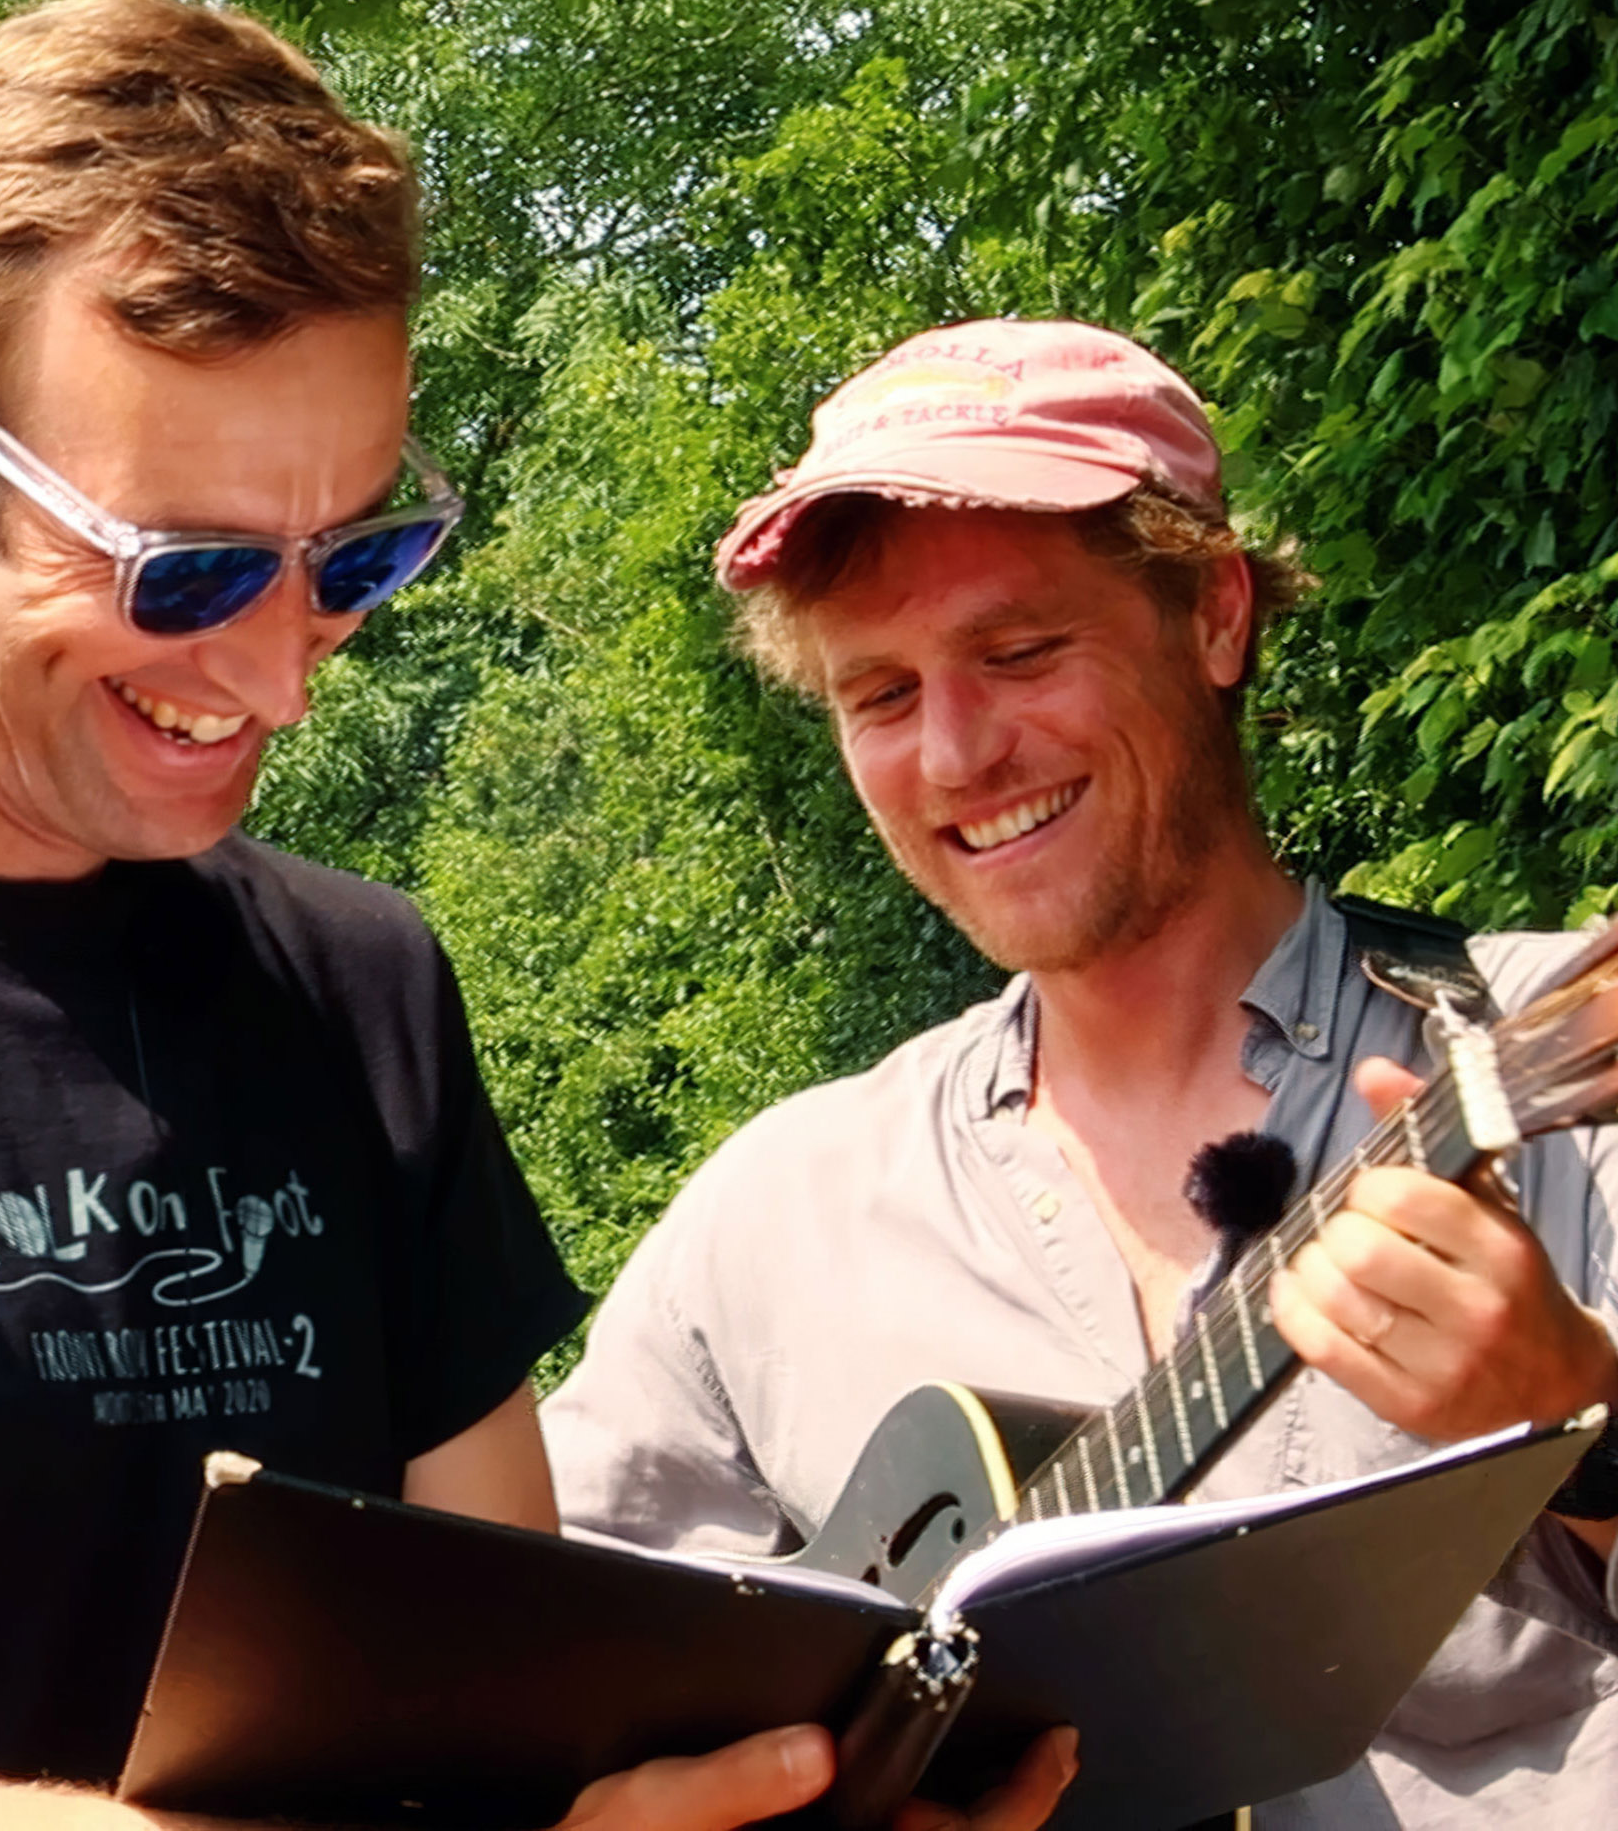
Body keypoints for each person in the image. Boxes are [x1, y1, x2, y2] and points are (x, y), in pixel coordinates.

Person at [0, 0, 1075, 1831]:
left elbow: (517, 1695)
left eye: (359, 556)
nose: (282, 679)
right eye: (189, 567)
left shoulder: (352, 979)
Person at [544, 318, 1618, 1825]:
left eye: (1021, 651)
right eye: (882, 696)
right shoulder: (778, 1213)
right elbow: (529, 1684)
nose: (956, 753)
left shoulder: (1533, 1063)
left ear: (1218, 616)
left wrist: (1591, 1428)